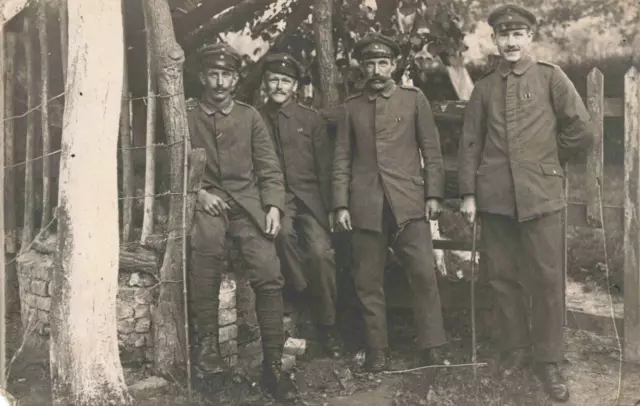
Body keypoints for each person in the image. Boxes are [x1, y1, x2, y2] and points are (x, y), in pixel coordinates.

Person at [457, 4, 594, 402]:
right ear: (495, 40)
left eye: (518, 34)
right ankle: (514, 349)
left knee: (547, 278)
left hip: (541, 196)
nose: (511, 41)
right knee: (501, 277)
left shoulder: (551, 77)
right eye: (504, 35)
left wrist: (548, 161)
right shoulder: (483, 89)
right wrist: (468, 193)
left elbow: (581, 130)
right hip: (496, 197)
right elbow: (470, 143)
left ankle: (549, 360)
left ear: (530, 38)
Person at [186, 43, 296, 401]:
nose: (219, 82)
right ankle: (209, 360)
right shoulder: (186, 115)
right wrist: (198, 193)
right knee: (206, 253)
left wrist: (274, 208)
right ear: (203, 77)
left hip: (248, 207)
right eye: (213, 74)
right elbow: (171, 162)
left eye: (227, 75)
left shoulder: (250, 117)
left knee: (267, 269)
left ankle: (273, 365)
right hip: (208, 204)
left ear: (235, 80)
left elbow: (269, 169)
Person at [332, 33, 448, 372]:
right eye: (370, 63)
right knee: (367, 280)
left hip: (409, 201)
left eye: (383, 63)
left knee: (424, 273)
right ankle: (376, 349)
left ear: (394, 65)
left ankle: (433, 345)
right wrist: (340, 204)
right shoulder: (351, 108)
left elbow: (432, 151)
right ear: (361, 68)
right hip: (366, 205)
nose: (377, 69)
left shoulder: (414, 100)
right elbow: (341, 159)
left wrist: (433, 195)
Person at [258, 53, 343, 358]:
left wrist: (334, 208)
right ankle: (304, 295)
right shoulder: (255, 117)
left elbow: (325, 167)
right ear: (266, 82)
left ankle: (329, 326)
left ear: (294, 86)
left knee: (321, 254)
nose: (279, 85)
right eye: (274, 79)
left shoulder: (310, 119)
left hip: (310, 200)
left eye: (285, 81)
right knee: (281, 236)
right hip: (275, 200)